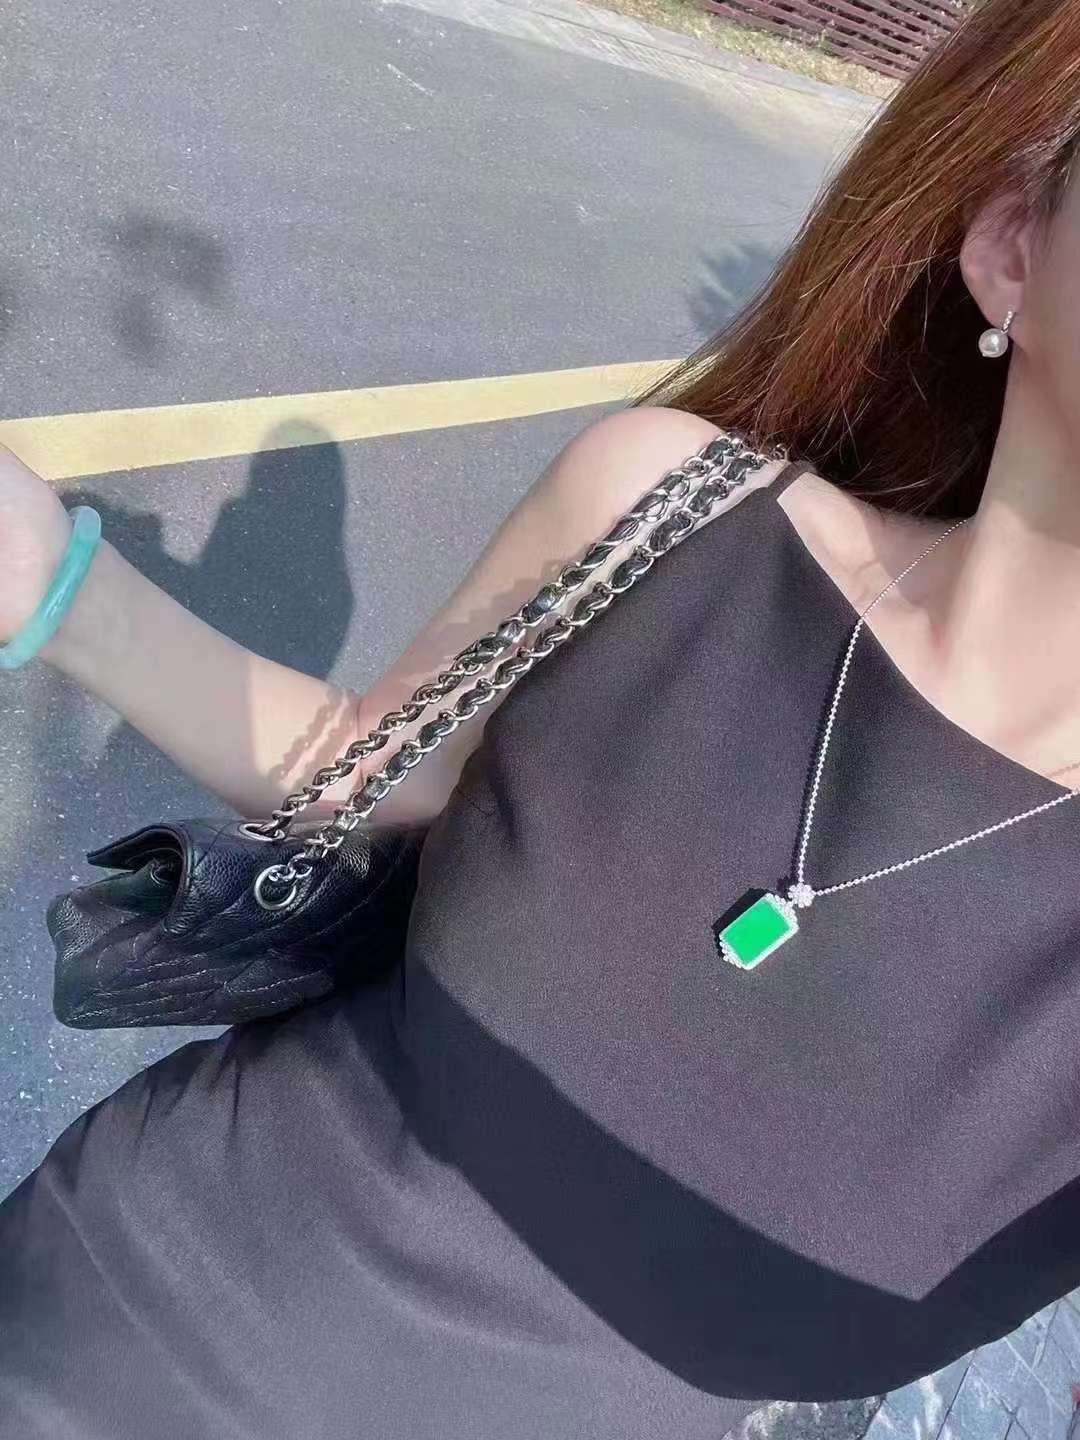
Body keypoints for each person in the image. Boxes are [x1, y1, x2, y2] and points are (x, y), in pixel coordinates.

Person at [2, 0, 1080, 1434]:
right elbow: (363, 771)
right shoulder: (675, 512)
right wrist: (54, 589)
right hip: (100, 1315)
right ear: (1013, 245)